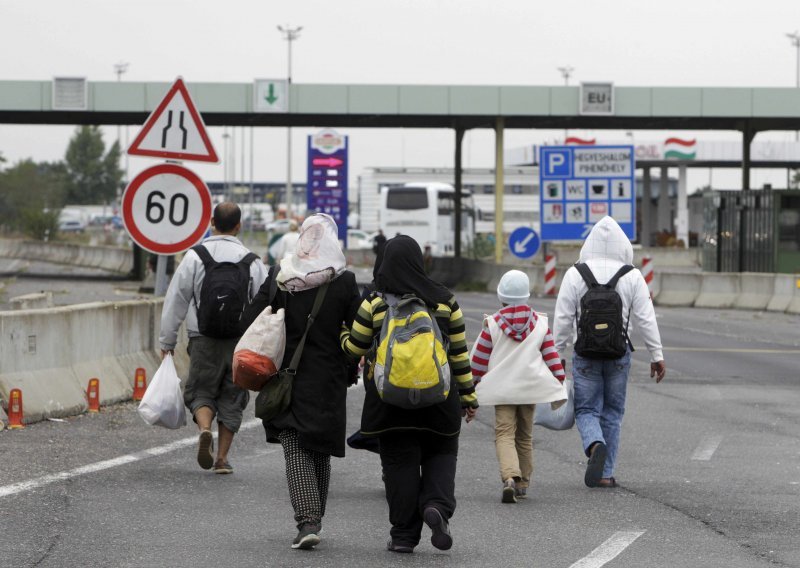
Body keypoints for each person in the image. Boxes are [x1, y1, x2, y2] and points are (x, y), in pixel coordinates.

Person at [340, 235, 478, 554]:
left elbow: (355, 349)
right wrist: (469, 398)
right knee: (441, 453)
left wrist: (343, 335)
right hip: (440, 401)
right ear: (420, 262)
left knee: (399, 464)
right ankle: (436, 507)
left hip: (389, 402)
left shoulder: (374, 303)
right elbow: (458, 356)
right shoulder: (445, 302)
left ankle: (403, 535)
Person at [248, 213, 361, 550]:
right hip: (329, 378)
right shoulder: (344, 280)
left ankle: (308, 520)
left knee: (294, 441)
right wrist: (350, 364)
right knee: (319, 448)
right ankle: (314, 519)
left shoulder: (281, 277)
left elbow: (250, 318)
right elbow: (359, 330)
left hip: (288, 375)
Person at [553, 216, 666, 489]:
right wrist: (656, 355)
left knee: (586, 409)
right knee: (613, 412)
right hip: (619, 355)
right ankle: (605, 473)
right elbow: (645, 319)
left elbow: (563, 318)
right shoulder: (632, 276)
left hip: (585, 355)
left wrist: (556, 354)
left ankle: (594, 444)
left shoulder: (575, 273)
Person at [159, 202, 268, 475]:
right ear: (238, 225)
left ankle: (205, 429)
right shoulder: (252, 261)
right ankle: (221, 458)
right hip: (239, 341)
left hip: (202, 338)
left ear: (212, 223)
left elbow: (176, 300)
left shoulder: (195, 257)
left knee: (200, 390)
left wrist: (167, 341)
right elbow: (265, 303)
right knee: (233, 396)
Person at [470, 270, 566, 503]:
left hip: (502, 390)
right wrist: (559, 380)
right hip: (529, 388)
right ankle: (523, 483)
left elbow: (478, 361)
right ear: (526, 296)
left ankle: (509, 477)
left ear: (500, 296)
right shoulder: (540, 323)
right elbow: (552, 356)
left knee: (504, 433)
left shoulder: (492, 324)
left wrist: (470, 387)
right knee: (524, 435)